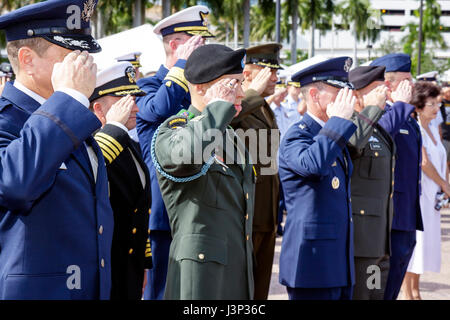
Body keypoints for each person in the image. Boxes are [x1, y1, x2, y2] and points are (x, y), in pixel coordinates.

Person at [0, 0, 114, 299]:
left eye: (85, 55)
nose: (85, 65)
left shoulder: (69, 112)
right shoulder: (7, 119)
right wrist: (69, 96)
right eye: (71, 55)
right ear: (27, 60)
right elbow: (16, 185)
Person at [152, 44, 254, 299]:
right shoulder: (173, 130)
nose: (241, 93)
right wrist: (217, 109)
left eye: (242, 83)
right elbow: (186, 154)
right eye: (232, 84)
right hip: (198, 280)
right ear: (200, 88)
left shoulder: (230, 136)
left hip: (235, 271)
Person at [135, 5, 213, 300]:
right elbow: (158, 110)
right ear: (176, 44)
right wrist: (181, 66)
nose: (203, 47)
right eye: (197, 41)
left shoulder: (197, 89)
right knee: (162, 293)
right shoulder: (147, 86)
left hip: (198, 209)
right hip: (164, 214)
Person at [279, 56, 357, 300]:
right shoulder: (297, 136)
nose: (346, 98)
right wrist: (337, 122)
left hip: (338, 261)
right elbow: (313, 165)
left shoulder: (332, 132)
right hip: (312, 262)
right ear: (313, 94)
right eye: (338, 91)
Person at [89, 62, 152, 300]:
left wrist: (143, 261)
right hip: (107, 265)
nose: (135, 107)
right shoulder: (90, 146)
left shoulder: (130, 145)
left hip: (130, 264)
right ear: (98, 108)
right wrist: (113, 128)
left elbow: (141, 206)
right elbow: (94, 171)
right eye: (124, 101)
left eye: (134, 99)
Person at [370, 53, 424, 300]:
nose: (412, 86)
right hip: (388, 217)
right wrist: (401, 105)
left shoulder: (407, 116)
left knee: (393, 284)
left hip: (406, 215)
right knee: (380, 286)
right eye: (406, 81)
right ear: (389, 84)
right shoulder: (382, 111)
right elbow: (379, 133)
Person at [231, 43, 282, 300]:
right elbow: (226, 120)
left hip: (266, 213)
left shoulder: (263, 106)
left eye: (275, 72)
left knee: (259, 289)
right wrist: (251, 92)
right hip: (246, 215)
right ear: (248, 72)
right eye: (268, 71)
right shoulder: (241, 101)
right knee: (241, 290)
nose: (274, 77)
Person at [347, 66, 395, 300]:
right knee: (361, 295)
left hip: (379, 240)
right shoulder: (352, 125)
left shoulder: (376, 128)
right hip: (361, 242)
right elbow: (353, 145)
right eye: (376, 90)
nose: (383, 95)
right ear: (356, 96)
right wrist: (371, 109)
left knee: (376, 295)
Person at [402, 81, 450, 300]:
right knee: (415, 245)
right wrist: (444, 184)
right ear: (418, 106)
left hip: (432, 198)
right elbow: (424, 163)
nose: (436, 108)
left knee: (424, 247)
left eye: (437, 104)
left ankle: (416, 290)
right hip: (419, 196)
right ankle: (408, 293)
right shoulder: (416, 128)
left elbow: (440, 160)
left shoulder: (431, 128)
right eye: (431, 103)